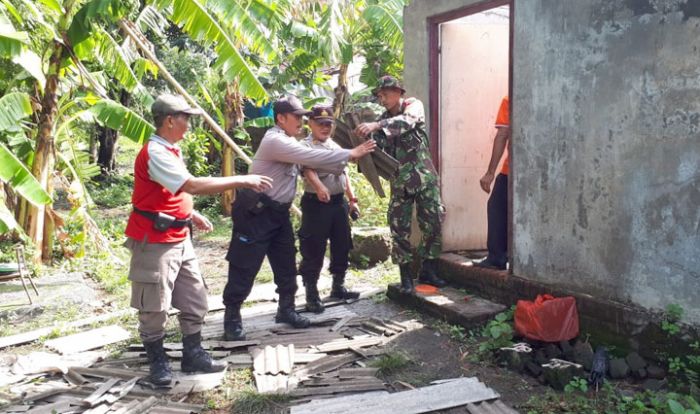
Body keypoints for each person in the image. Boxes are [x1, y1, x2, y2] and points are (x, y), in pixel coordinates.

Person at [124, 94, 273, 386]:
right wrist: (242, 180)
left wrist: (190, 214)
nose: (189, 125)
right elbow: (190, 184)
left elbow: (174, 191)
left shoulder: (171, 150)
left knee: (194, 299)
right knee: (154, 305)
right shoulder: (156, 152)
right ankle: (158, 363)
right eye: (186, 119)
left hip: (179, 236)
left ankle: (193, 355)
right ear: (169, 120)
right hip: (154, 240)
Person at [222, 96, 376, 340]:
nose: (302, 121)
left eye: (304, 117)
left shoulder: (288, 140)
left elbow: (326, 163)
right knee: (245, 265)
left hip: (279, 212)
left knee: (286, 262)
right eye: (297, 117)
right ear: (281, 118)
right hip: (257, 213)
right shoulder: (275, 140)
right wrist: (352, 152)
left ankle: (286, 310)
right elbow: (312, 158)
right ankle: (232, 318)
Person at [355, 75, 447, 294]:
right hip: (400, 182)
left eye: (385, 94)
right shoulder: (381, 122)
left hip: (424, 178)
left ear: (398, 92)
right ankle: (405, 275)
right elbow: (377, 152)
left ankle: (429, 268)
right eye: (379, 96)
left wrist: (376, 125)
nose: (382, 99)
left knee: (433, 221)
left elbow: (407, 122)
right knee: (399, 229)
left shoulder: (413, 106)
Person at [298, 105, 361, 314]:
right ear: (310, 124)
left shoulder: (334, 145)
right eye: (320, 124)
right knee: (313, 248)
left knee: (342, 244)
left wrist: (352, 198)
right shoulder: (304, 146)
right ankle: (311, 294)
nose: (325, 128)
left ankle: (338, 286)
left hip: (338, 202)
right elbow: (308, 169)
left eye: (328, 124)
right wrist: (319, 186)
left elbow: (344, 173)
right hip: (317, 204)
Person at [474, 96, 510, 270]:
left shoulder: (510, 98)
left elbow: (503, 134)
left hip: (512, 169)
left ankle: (497, 257)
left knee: (496, 206)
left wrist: (490, 173)